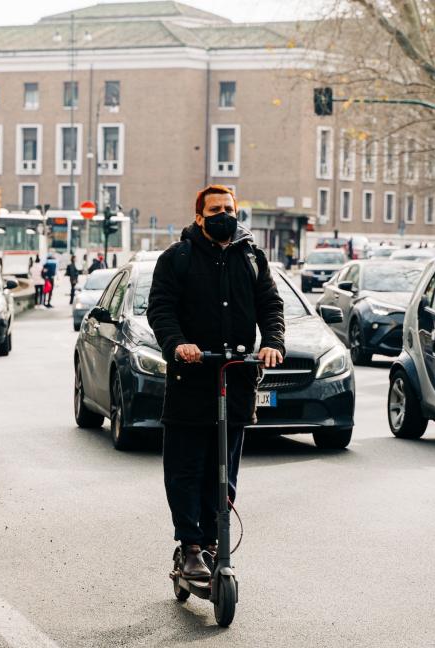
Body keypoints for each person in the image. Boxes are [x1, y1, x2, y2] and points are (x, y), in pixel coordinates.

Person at [147, 184, 285, 581]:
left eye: (228, 208)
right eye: (214, 209)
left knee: (224, 469)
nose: (222, 214)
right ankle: (190, 545)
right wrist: (178, 344)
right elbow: (161, 309)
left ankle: (212, 541)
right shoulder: (177, 259)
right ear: (198, 216)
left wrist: (273, 343)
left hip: (236, 379)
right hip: (190, 380)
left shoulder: (252, 257)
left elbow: (271, 306)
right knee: (186, 467)